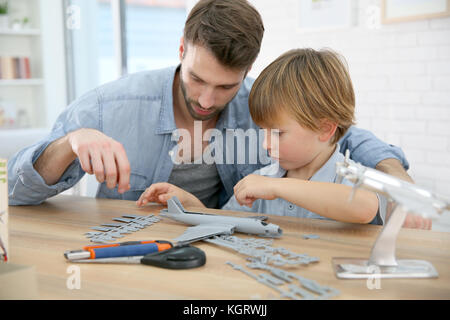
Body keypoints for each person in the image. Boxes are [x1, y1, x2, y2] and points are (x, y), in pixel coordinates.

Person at [7, 0, 428, 228]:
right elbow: (17, 194)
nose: (207, 100)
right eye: (196, 79)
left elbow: (344, 136)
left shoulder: (260, 106)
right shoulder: (109, 105)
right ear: (180, 51)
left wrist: (400, 179)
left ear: (247, 72)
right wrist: (69, 142)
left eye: (226, 86)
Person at [138, 48, 386, 224]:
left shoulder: (354, 179)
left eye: (278, 133)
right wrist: (190, 204)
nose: (266, 144)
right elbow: (228, 224)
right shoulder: (262, 180)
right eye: (263, 131)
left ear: (325, 129)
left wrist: (278, 187)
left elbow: (365, 208)